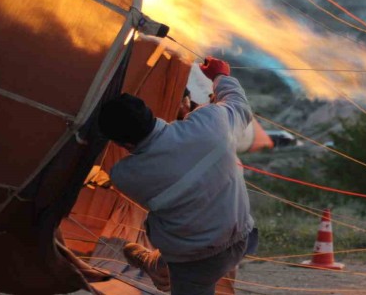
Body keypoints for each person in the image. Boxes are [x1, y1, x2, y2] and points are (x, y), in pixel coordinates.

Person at [98, 57, 258, 295]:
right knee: (191, 217)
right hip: (243, 236)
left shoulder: (124, 175)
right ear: (149, 112)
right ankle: (157, 263)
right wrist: (220, 75)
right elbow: (239, 104)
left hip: (196, 260)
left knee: (181, 247)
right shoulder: (210, 121)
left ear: (123, 143)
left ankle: (157, 265)